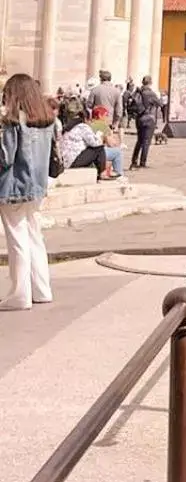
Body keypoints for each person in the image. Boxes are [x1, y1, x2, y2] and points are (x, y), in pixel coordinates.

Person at [0, 73, 57, 310]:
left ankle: (19, 295)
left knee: (17, 241)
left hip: (13, 186)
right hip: (37, 186)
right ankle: (42, 290)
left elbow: (5, 157)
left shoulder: (13, 121)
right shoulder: (46, 120)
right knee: (34, 237)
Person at [59, 111, 112, 181]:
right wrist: (99, 136)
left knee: (93, 150)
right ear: (86, 119)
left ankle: (99, 172)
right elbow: (95, 143)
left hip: (66, 161)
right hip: (72, 162)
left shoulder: (70, 127)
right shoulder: (83, 127)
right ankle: (103, 173)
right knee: (99, 148)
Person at [129, 75, 162, 170]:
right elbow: (160, 103)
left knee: (139, 141)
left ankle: (133, 162)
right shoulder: (150, 93)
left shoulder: (138, 91)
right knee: (146, 142)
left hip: (139, 118)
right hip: (149, 118)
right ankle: (142, 163)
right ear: (150, 82)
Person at [94, 108, 125, 178]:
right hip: (97, 152)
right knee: (118, 152)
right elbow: (112, 144)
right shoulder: (103, 126)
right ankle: (119, 174)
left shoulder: (90, 124)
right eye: (106, 115)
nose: (107, 118)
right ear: (100, 115)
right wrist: (112, 133)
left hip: (88, 152)